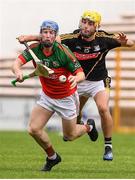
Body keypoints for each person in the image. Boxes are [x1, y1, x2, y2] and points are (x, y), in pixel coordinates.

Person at [17, 11, 134, 161]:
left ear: (97, 27)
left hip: (98, 81)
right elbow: (50, 38)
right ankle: (83, 128)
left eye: (90, 23)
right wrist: (29, 37)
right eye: (84, 22)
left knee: (103, 108)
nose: (86, 26)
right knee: (73, 125)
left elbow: (130, 43)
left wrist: (124, 42)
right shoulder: (71, 39)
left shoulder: (104, 39)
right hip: (77, 80)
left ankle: (108, 146)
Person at [12, 20, 98, 172]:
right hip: (47, 96)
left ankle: (89, 127)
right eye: (45, 32)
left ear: (55, 36)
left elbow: (81, 74)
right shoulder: (33, 49)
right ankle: (52, 157)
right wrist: (18, 72)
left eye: (51, 33)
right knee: (33, 129)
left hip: (66, 98)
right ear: (41, 34)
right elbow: (16, 64)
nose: (47, 35)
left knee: (69, 135)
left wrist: (75, 78)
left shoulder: (63, 52)